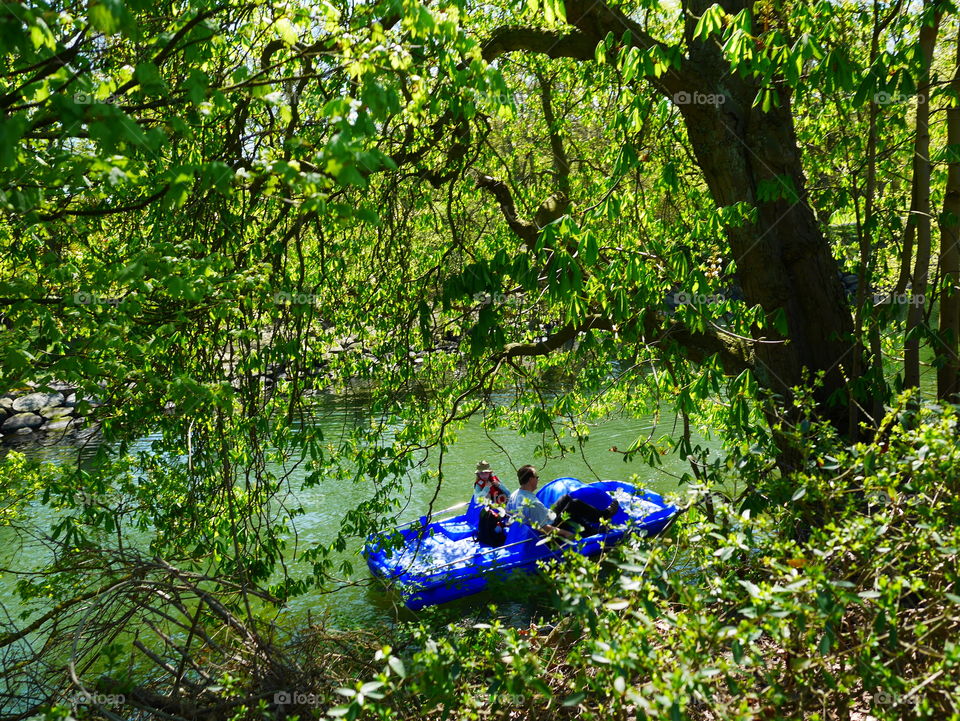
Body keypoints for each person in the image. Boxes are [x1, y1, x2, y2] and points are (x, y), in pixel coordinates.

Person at [506, 465, 619, 540]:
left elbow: (509, 517)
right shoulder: (532, 503)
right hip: (548, 526)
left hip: (546, 517)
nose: (538, 480)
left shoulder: (515, 494)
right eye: (537, 477)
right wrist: (566, 533)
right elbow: (545, 528)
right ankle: (604, 515)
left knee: (565, 498)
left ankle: (590, 529)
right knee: (573, 505)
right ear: (531, 480)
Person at [473, 461, 510, 547]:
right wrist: (486, 488)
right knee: (497, 529)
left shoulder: (495, 480)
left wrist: (499, 485)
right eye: (481, 473)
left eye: (486, 473)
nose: (484, 475)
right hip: (490, 511)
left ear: (490, 473)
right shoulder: (479, 485)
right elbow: (477, 500)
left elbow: (508, 493)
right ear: (478, 474)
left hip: (502, 506)